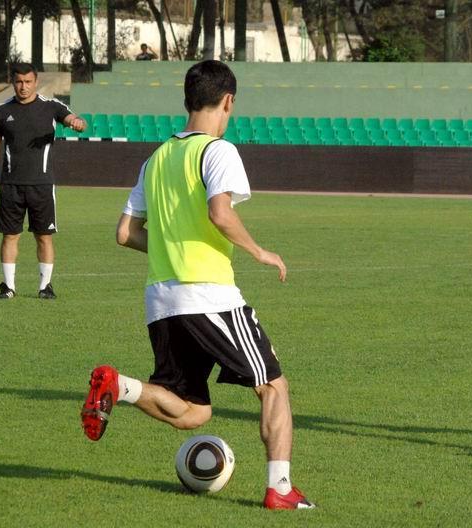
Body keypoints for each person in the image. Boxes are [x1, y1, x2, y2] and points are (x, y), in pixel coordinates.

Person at [80, 60, 315, 510]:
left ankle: (118, 385)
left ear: (187, 100)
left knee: (192, 411)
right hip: (209, 294)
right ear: (228, 101)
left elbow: (125, 233)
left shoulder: (156, 159)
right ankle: (281, 489)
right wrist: (259, 251)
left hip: (161, 299)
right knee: (273, 386)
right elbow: (220, 213)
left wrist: (170, 248)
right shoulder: (217, 150)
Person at [0, 62, 86, 299]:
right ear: (13, 82)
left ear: (36, 82)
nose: (23, 87)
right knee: (9, 236)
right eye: (19, 82)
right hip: (11, 185)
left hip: (42, 185)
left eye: (28, 82)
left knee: (44, 236)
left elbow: (73, 118)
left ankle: (45, 287)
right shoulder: (1, 111)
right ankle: (9, 287)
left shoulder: (51, 106)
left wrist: (77, 123)